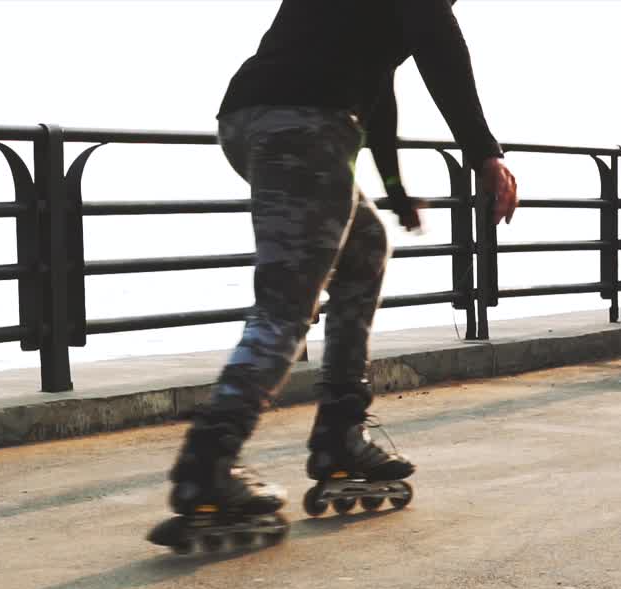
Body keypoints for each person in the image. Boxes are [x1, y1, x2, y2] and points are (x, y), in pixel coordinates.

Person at [166, 0, 519, 518]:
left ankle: (340, 432)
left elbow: (380, 81)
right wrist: (484, 152)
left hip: (253, 116)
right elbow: (436, 39)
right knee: (287, 304)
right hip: (305, 124)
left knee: (364, 249)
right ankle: (208, 465)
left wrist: (394, 187)